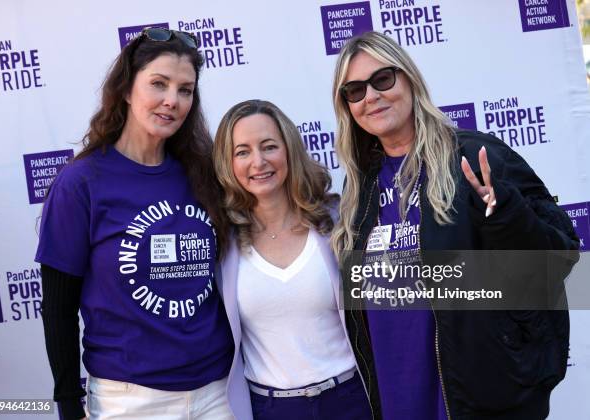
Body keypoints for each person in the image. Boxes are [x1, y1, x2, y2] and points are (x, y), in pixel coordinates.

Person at [331, 31, 579, 420]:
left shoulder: (474, 155)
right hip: (398, 399)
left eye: (382, 80)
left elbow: (558, 258)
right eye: (355, 90)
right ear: (347, 106)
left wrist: (507, 215)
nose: (371, 97)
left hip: (479, 402)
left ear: (409, 79)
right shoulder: (358, 187)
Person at [36, 28, 239, 420]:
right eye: (158, 84)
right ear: (127, 90)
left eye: (185, 90)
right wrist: (66, 401)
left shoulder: (203, 172)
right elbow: (58, 308)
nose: (172, 101)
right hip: (129, 399)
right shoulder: (82, 183)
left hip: (219, 390)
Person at [212, 99, 372, 420]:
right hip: (272, 409)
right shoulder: (220, 241)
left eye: (269, 146)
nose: (258, 162)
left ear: (289, 150)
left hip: (351, 399)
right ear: (228, 163)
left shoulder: (339, 220)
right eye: (242, 152)